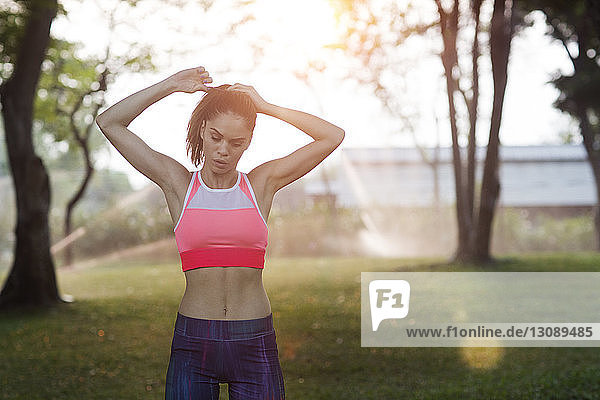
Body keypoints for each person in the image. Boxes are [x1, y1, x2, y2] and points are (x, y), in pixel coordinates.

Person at [95, 66, 344, 400]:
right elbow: (109, 122)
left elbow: (332, 136)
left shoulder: (260, 185)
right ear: (202, 132)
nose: (224, 150)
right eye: (215, 137)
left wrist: (265, 106)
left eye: (236, 142)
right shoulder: (179, 185)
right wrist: (170, 85)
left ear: (248, 143)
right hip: (194, 342)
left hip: (254, 340)